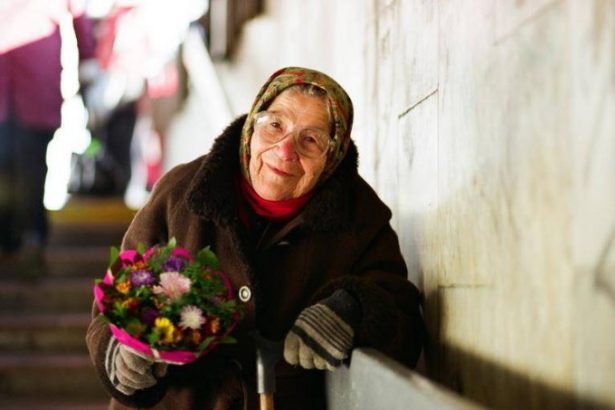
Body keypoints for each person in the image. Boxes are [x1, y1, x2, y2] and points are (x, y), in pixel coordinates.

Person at [86, 67, 425, 409]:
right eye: (275, 125)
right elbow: (114, 301)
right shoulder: (182, 192)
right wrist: (120, 354)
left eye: (311, 140)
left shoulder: (360, 218)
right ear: (252, 126)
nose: (285, 150)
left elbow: (403, 318)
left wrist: (353, 310)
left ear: (333, 157)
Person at [0, 0, 96, 264]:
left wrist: (88, 60)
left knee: (32, 166)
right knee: (4, 161)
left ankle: (33, 236)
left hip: (36, 83)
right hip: (5, 87)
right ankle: (8, 239)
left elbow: (79, 15)